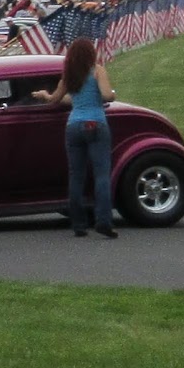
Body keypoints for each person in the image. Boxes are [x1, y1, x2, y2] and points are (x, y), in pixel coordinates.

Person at [41, 37, 118, 238]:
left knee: (76, 175)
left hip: (74, 125)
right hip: (96, 122)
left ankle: (78, 224)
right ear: (91, 54)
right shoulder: (97, 70)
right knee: (101, 175)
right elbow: (107, 95)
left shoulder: (69, 76)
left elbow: (56, 99)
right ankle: (103, 220)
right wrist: (113, 93)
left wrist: (44, 95)